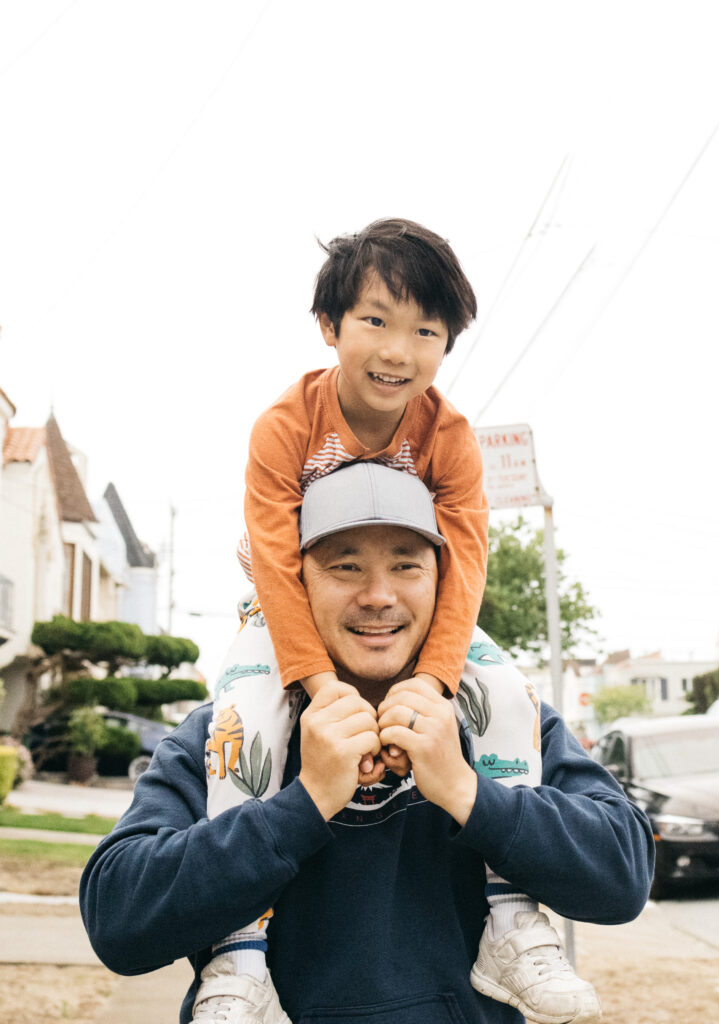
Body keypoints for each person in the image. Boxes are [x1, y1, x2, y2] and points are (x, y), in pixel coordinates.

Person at [80, 464, 655, 1024]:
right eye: (345, 566)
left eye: (406, 565)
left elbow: (624, 876)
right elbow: (118, 921)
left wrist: (467, 791)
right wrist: (303, 804)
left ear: (442, 582)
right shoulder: (225, 737)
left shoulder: (503, 722)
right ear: (293, 586)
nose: (379, 595)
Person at [212, 218, 596, 1021]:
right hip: (288, 604)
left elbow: (463, 567)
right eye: (376, 321)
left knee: (506, 696)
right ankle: (237, 954)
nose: (398, 350)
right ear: (329, 325)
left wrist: (435, 682)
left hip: (424, 622)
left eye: (426, 330)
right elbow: (278, 564)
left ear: (447, 342)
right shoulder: (284, 426)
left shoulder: (449, 438)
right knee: (242, 718)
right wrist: (317, 685)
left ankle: (512, 919)